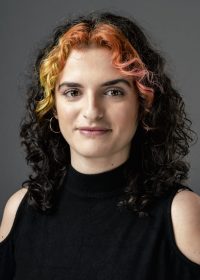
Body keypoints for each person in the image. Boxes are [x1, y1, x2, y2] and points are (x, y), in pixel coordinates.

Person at [0, 11, 200, 280]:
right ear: (54, 107)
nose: (92, 111)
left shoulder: (182, 214)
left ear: (143, 104)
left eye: (113, 92)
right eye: (73, 92)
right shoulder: (19, 211)